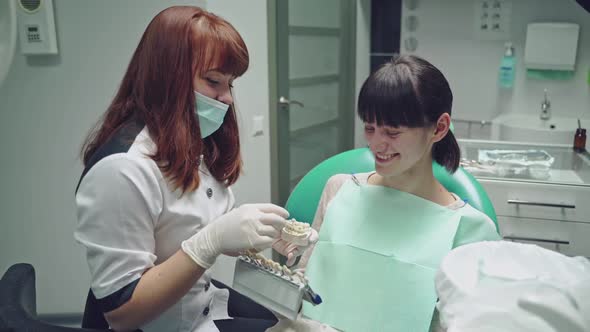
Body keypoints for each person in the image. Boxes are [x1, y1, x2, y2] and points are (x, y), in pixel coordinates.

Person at [74, 6, 301, 332]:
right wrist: (209, 242)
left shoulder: (193, 142)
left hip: (198, 305)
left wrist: (262, 235)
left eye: (230, 84)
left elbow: (205, 220)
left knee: (290, 320)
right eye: (213, 81)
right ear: (167, 75)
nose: (227, 99)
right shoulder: (122, 170)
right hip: (153, 325)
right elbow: (122, 313)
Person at [296, 55, 501, 331]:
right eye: (370, 128)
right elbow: (304, 283)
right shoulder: (339, 189)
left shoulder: (470, 230)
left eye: (392, 132)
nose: (376, 145)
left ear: (439, 128)